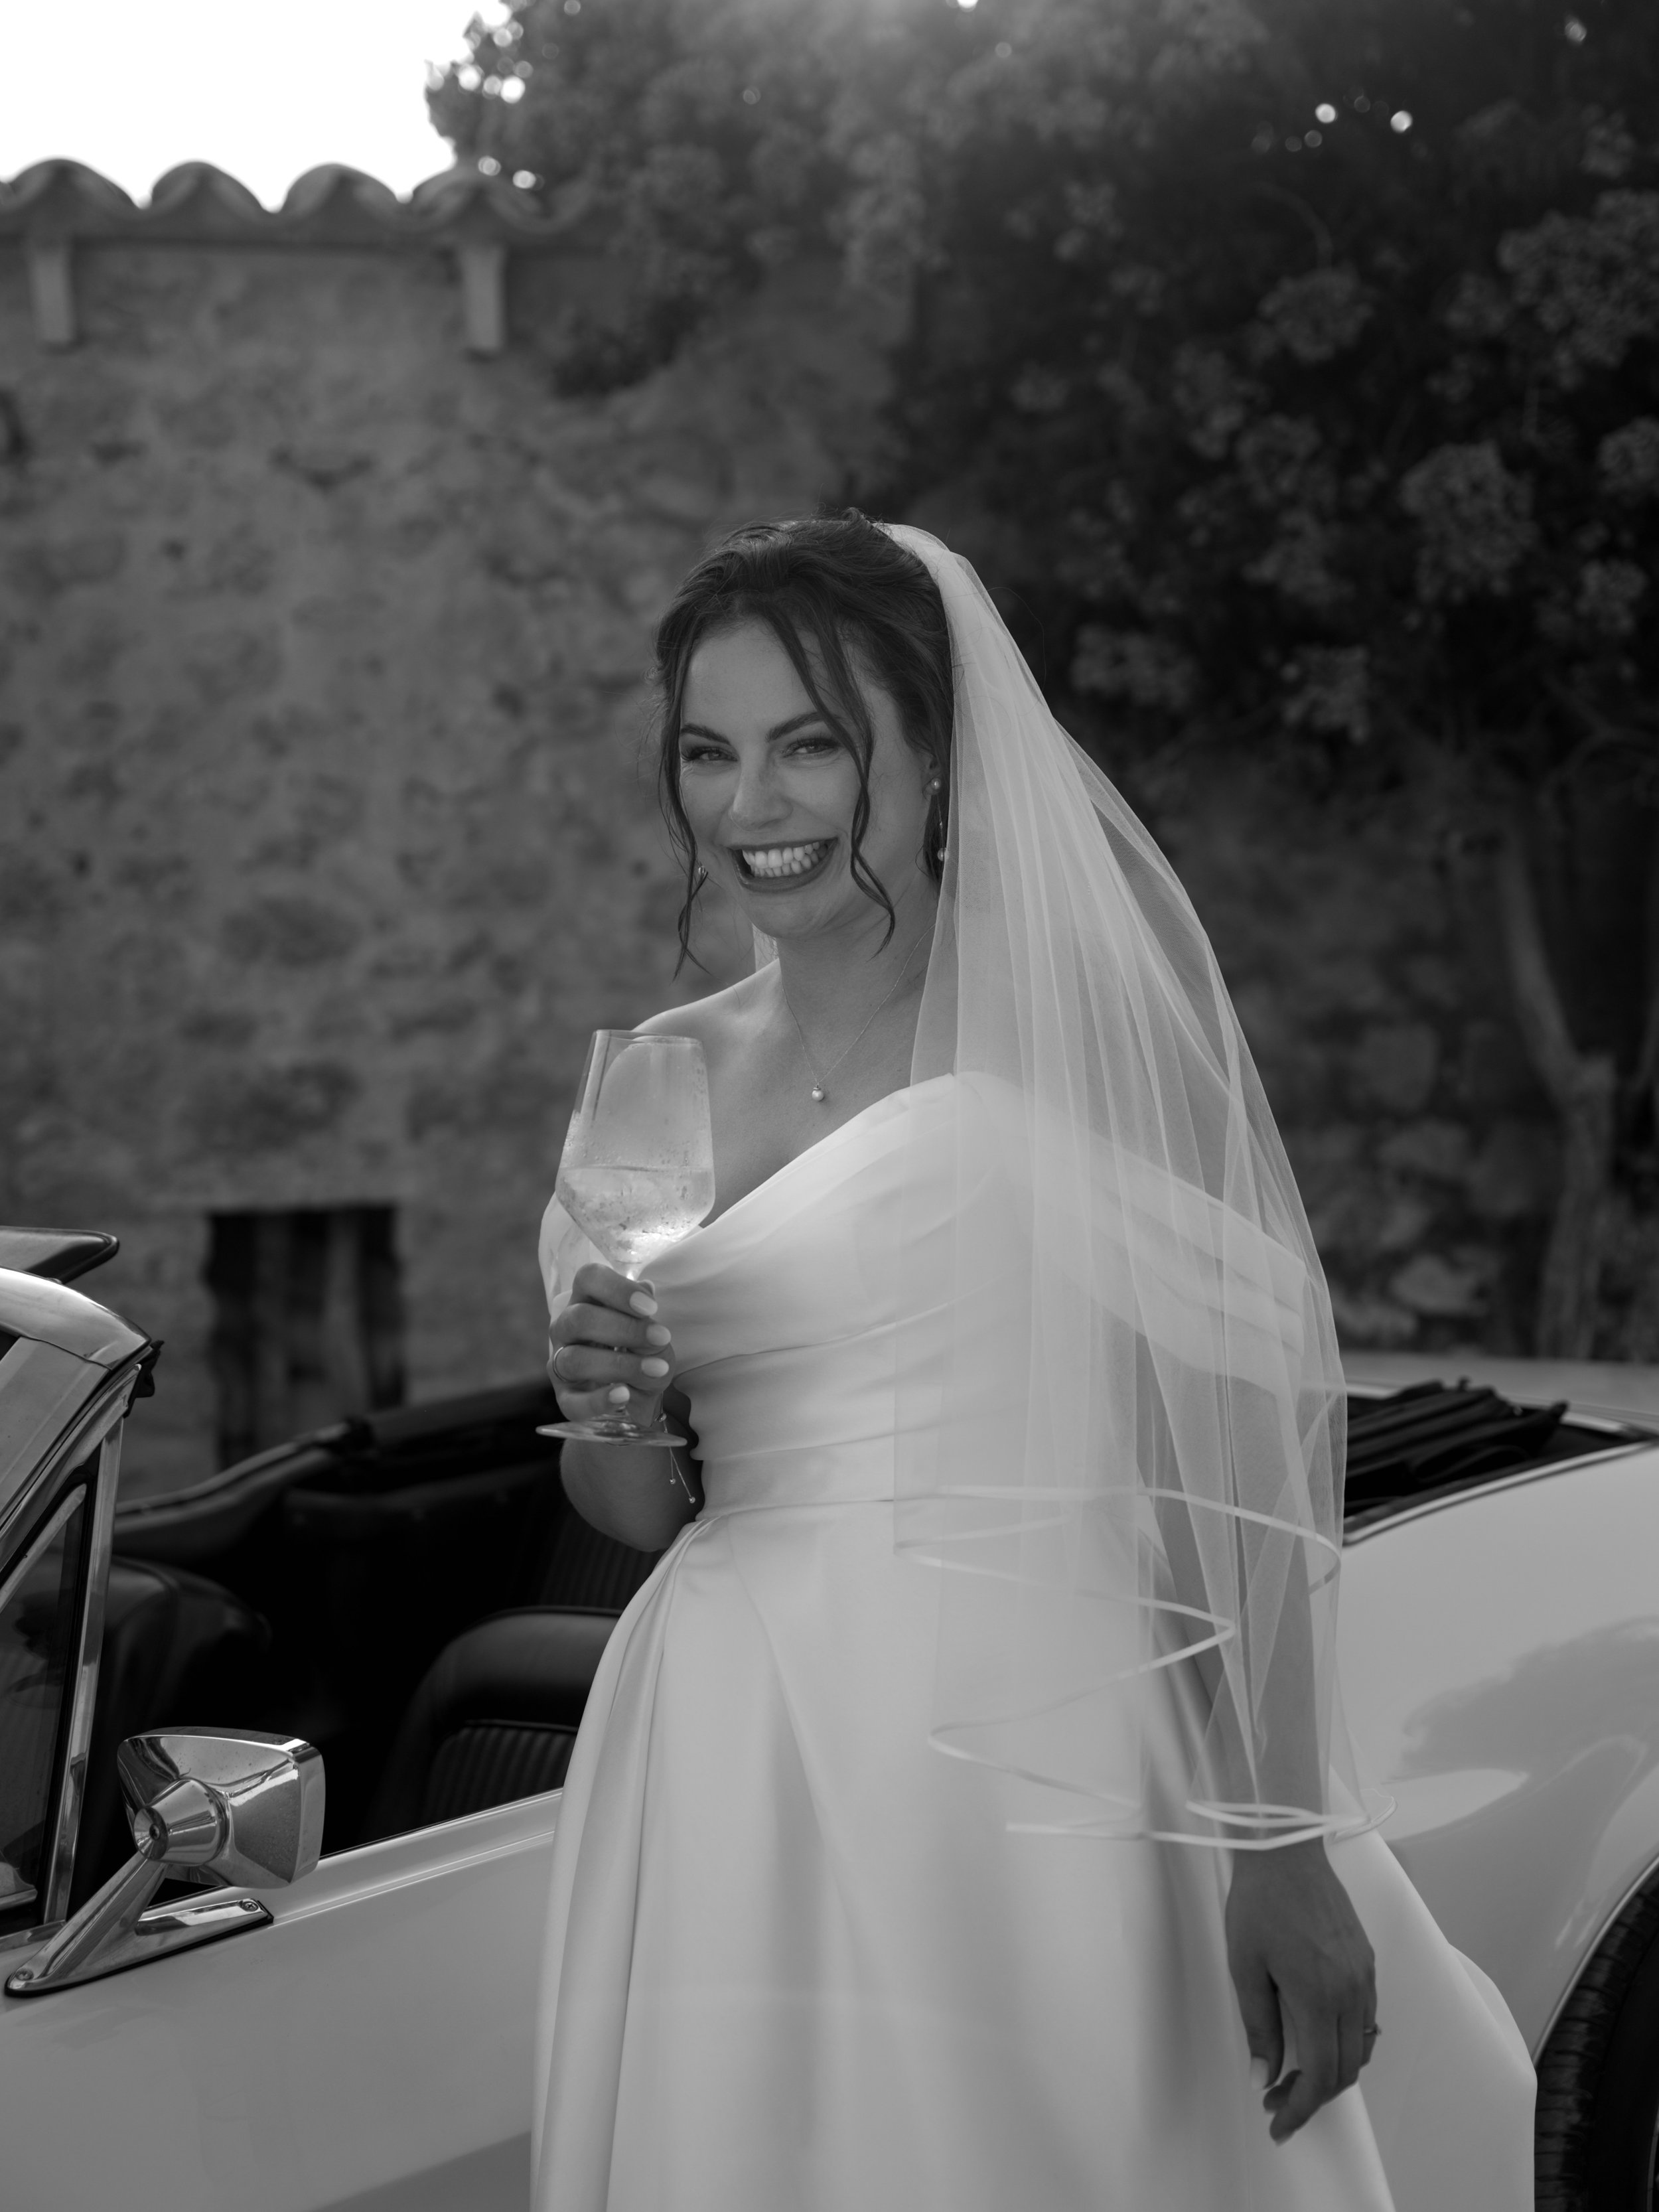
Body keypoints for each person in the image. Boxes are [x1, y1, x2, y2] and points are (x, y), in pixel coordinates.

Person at [532, 515, 1534, 2210]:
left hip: (1035, 1725)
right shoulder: (657, 1077)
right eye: (708, 753)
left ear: (932, 762)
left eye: (810, 746)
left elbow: (1225, 1447)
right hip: (724, 1745)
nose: (749, 803)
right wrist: (609, 1397)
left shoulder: (1065, 1042)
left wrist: (1271, 1838)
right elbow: (629, 1503)